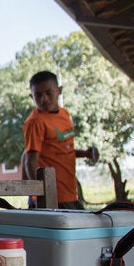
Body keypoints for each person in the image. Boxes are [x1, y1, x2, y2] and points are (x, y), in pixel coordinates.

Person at [22, 70, 98, 209]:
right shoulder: (35, 122)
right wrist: (40, 194)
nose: (43, 99)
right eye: (38, 95)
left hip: (69, 192)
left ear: (59, 91)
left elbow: (61, 149)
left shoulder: (64, 114)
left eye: (48, 93)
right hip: (51, 197)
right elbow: (30, 160)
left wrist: (85, 153)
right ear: (31, 97)